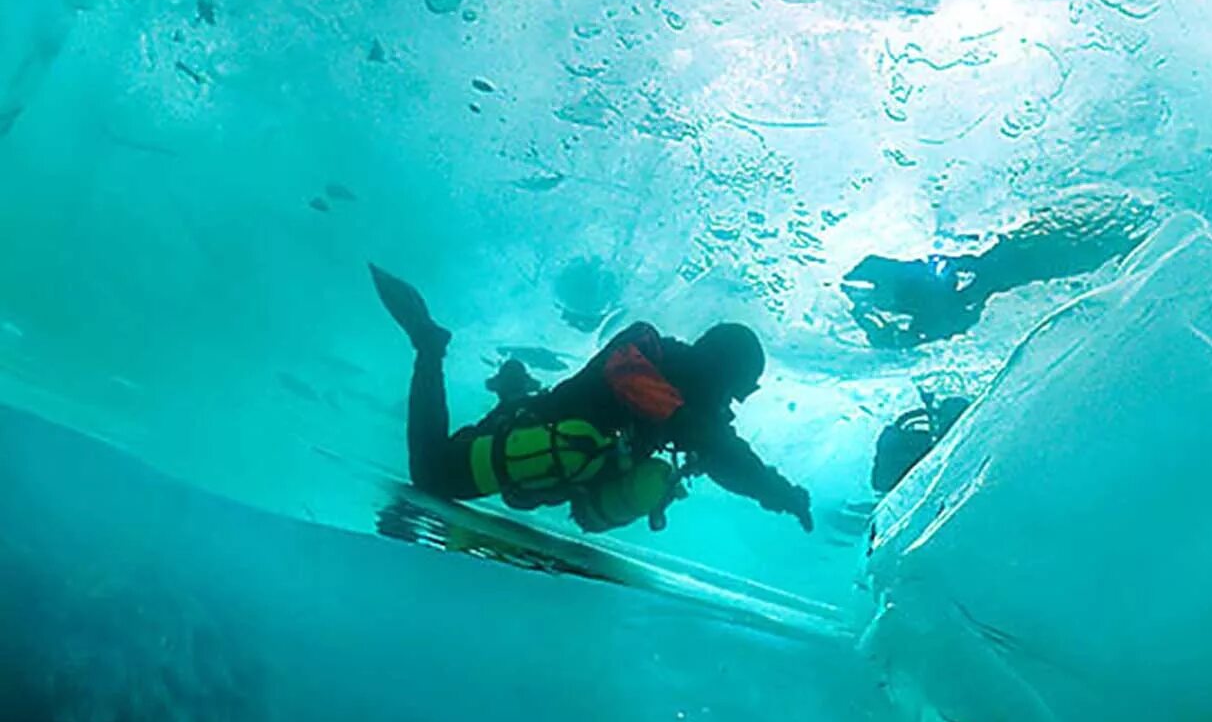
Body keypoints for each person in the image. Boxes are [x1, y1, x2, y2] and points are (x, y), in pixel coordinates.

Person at [370, 265, 813, 535]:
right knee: (431, 474)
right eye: (735, 390)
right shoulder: (644, 351)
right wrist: (774, 488)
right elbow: (701, 434)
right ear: (718, 368)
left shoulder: (689, 404)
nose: (731, 404)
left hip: (554, 461)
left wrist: (781, 494)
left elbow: (723, 457)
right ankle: (430, 347)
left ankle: (515, 383)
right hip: (526, 433)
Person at [842, 187, 1158, 348]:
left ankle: (1130, 234)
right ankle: (1130, 236)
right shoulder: (908, 300)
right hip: (1009, 264)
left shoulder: (893, 278)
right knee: (1061, 252)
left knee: (1058, 247)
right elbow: (918, 335)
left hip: (1007, 257)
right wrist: (866, 317)